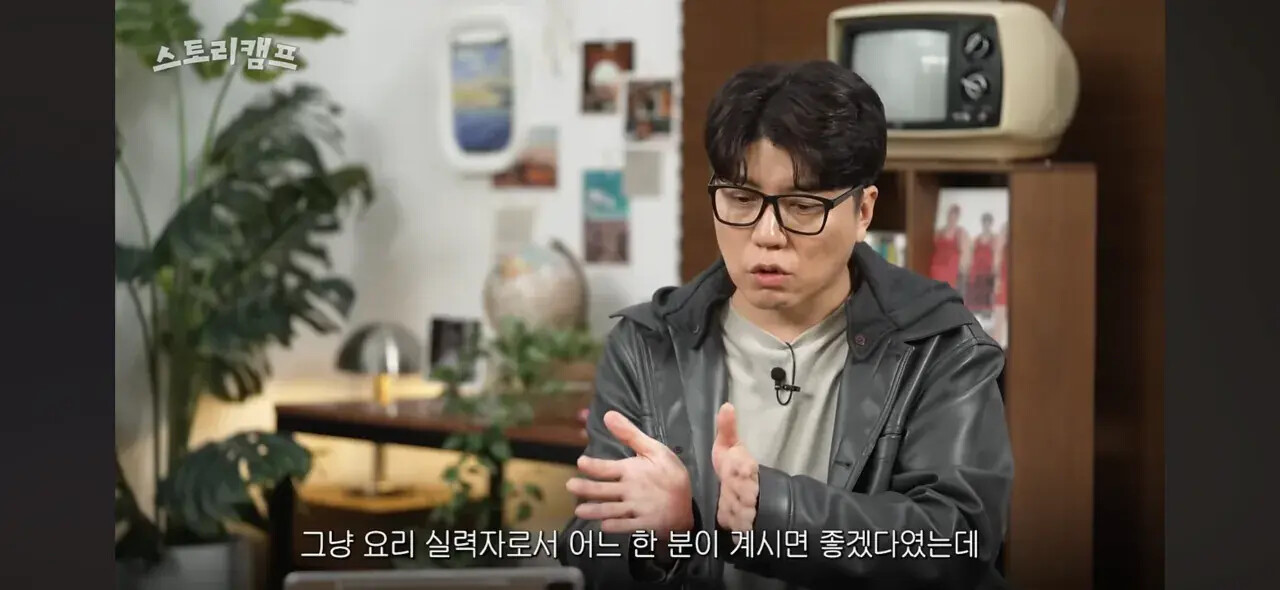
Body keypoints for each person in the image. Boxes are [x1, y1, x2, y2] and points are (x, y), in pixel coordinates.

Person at [561, 60, 1012, 590]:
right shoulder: (647, 345)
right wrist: (662, 540)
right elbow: (590, 548)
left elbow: (956, 541)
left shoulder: (937, 346)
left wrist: (773, 511)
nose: (767, 234)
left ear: (863, 212)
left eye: (801, 206)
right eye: (741, 199)